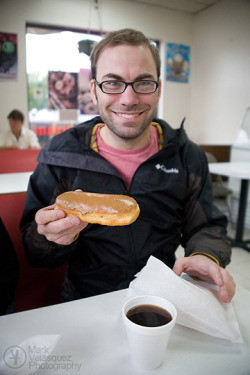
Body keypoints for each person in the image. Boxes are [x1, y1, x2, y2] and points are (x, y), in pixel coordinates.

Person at [20, 28, 235, 304]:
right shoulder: (60, 156)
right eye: (112, 83)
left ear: (158, 89)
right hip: (83, 299)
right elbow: (33, 251)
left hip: (160, 299)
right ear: (94, 90)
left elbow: (206, 226)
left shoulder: (187, 156)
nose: (128, 98)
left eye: (143, 83)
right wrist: (48, 238)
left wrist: (205, 256)